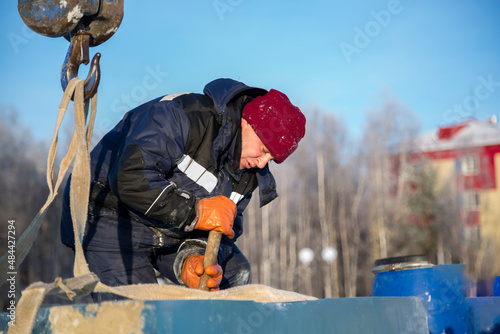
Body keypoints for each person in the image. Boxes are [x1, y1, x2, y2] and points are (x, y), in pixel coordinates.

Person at [60, 78, 306, 301]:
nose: (263, 163)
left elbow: (227, 229)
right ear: (247, 122)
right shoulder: (180, 115)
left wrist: (192, 258)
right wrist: (197, 211)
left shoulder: (248, 172)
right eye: (264, 149)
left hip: (166, 230)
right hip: (108, 216)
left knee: (233, 274)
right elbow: (130, 178)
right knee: (137, 316)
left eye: (272, 159)